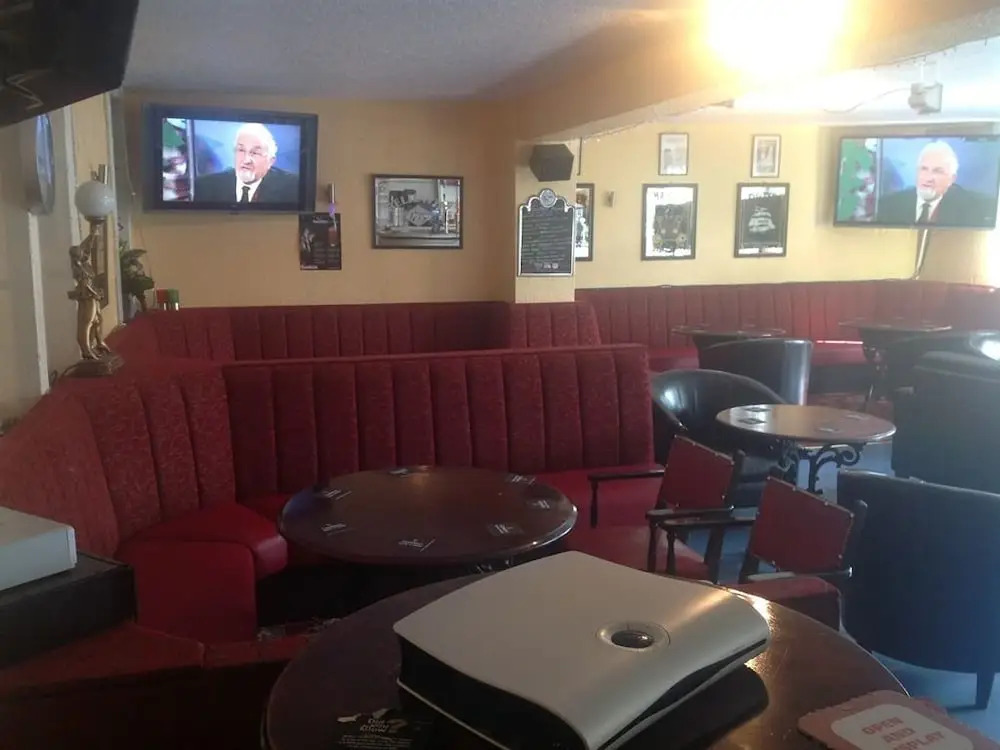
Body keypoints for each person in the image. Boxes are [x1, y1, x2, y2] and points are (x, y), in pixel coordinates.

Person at [876, 141, 995, 227]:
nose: (928, 178)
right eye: (924, 169)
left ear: (952, 179)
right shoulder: (889, 204)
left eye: (938, 171)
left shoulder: (973, 208)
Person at [193, 122, 299, 204]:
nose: (246, 160)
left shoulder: (292, 187)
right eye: (241, 150)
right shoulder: (205, 186)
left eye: (255, 153)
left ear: (270, 161)